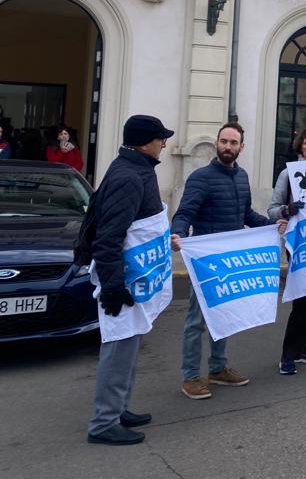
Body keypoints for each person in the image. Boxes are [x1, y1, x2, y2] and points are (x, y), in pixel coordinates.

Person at [170, 123, 287, 399]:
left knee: (223, 315)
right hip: (207, 261)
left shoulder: (242, 176)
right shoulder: (201, 178)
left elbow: (246, 215)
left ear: (241, 147)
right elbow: (185, 211)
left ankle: (218, 368)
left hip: (232, 260)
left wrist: (272, 224)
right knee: (196, 320)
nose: (227, 147)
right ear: (216, 144)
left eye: (233, 143)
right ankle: (190, 377)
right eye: (223, 141)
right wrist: (177, 232)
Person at [85, 115, 175, 445]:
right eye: (160, 138)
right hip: (123, 281)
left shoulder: (135, 169)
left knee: (132, 343)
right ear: (144, 142)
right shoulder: (129, 177)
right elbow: (108, 237)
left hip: (136, 278)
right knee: (119, 347)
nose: (163, 143)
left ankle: (119, 408)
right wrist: (111, 286)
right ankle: (103, 423)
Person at [269, 126, 306, 375]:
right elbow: (272, 208)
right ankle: (288, 354)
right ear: (300, 148)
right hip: (300, 244)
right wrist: (286, 210)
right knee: (303, 300)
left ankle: (304, 347)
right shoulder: (288, 174)